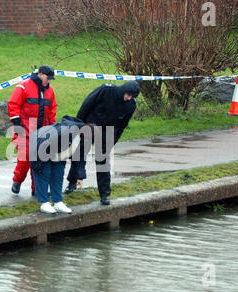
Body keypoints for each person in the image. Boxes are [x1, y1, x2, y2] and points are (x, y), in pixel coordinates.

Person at [65, 81, 140, 205]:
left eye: (131, 97)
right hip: (91, 124)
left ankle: (104, 194)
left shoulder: (131, 105)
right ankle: (72, 182)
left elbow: (122, 125)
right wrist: (79, 123)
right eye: (127, 95)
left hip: (108, 131)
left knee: (103, 161)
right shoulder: (106, 90)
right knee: (79, 154)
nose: (128, 98)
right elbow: (87, 104)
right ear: (123, 90)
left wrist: (113, 141)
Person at [8, 66, 58, 196]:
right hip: (25, 129)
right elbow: (13, 104)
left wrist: (52, 127)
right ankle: (17, 181)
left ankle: (37, 189)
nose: (49, 81)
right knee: (24, 160)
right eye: (48, 78)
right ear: (41, 74)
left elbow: (52, 109)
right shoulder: (23, 86)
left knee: (40, 161)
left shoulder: (50, 90)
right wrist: (17, 123)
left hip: (42, 130)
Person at [30, 115, 92, 214]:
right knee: (43, 173)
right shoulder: (66, 132)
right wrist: (36, 165)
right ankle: (44, 203)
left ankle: (58, 202)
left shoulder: (84, 139)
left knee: (58, 175)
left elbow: (80, 158)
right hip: (41, 146)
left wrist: (79, 176)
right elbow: (41, 145)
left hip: (58, 152)